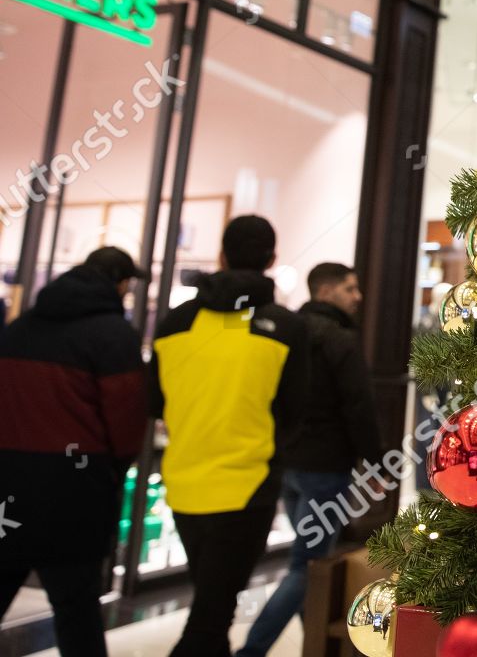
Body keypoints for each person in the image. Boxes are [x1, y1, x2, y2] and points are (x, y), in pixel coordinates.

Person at [149, 216, 308, 657]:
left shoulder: (174, 323)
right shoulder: (286, 328)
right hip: (247, 487)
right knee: (210, 616)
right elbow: (295, 411)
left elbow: (154, 402)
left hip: (183, 484)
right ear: (272, 260)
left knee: (212, 606)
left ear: (221, 255)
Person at [0, 247, 148, 657]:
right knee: (75, 608)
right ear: (120, 284)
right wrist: (113, 469)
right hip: (74, 491)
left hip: (9, 485)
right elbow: (126, 420)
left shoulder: (23, 326)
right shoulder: (113, 335)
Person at [236, 263, 381, 657]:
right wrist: (376, 463)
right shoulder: (340, 340)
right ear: (326, 291)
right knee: (308, 564)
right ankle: (251, 651)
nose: (358, 297)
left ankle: (316, 645)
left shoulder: (283, 332)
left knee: (307, 560)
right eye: (350, 288)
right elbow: (359, 407)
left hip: (287, 463)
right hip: (325, 467)